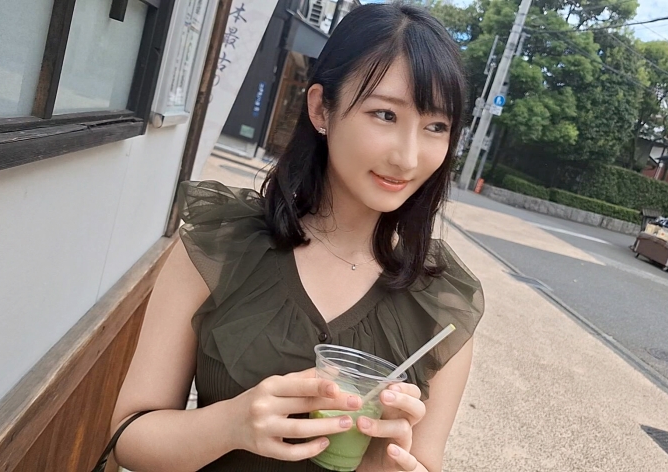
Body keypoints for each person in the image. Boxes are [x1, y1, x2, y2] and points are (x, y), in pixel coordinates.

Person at [110, 3, 484, 471]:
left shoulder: (441, 304)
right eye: (385, 114)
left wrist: (382, 461)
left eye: (436, 127)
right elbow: (128, 436)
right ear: (321, 108)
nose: (408, 158)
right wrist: (231, 424)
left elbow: (423, 461)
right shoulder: (220, 246)